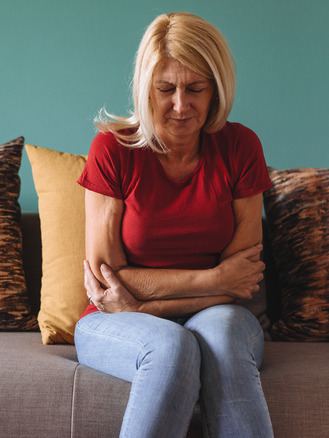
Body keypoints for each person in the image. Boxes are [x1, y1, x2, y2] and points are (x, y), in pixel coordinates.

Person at [75, 12, 274, 438]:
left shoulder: (241, 147)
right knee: (171, 345)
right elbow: (109, 283)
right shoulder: (112, 150)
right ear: (146, 88)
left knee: (219, 337)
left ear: (217, 88)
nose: (181, 105)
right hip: (112, 321)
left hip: (216, 315)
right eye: (166, 89)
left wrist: (145, 305)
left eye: (195, 88)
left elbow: (242, 280)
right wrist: (214, 277)